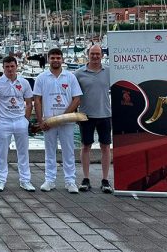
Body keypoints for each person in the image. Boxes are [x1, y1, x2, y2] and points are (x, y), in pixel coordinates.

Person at [34, 48, 83, 193]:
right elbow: (37, 100)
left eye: (58, 58)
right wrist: (40, 120)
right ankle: (50, 180)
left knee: (68, 151)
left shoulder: (70, 77)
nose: (55, 60)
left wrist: (63, 117)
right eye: (53, 58)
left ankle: (70, 181)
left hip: (66, 122)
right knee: (50, 151)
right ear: (48, 59)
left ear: (62, 59)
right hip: (49, 122)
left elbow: (77, 99)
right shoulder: (41, 78)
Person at [0, 56, 35, 192]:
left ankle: (25, 180)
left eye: (12, 66)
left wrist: (26, 120)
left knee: (23, 153)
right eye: (7, 67)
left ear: (17, 67)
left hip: (20, 121)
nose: (10, 69)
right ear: (3, 68)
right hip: (3, 121)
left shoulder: (24, 83)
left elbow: (29, 102)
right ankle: (1, 181)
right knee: (1, 153)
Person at [74, 44, 112, 193]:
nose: (95, 56)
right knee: (85, 147)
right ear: (88, 55)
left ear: (102, 55)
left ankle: (105, 179)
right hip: (86, 115)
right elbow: (73, 95)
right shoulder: (78, 73)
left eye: (98, 54)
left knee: (105, 147)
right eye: (92, 54)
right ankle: (86, 178)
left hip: (105, 114)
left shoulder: (109, 71)